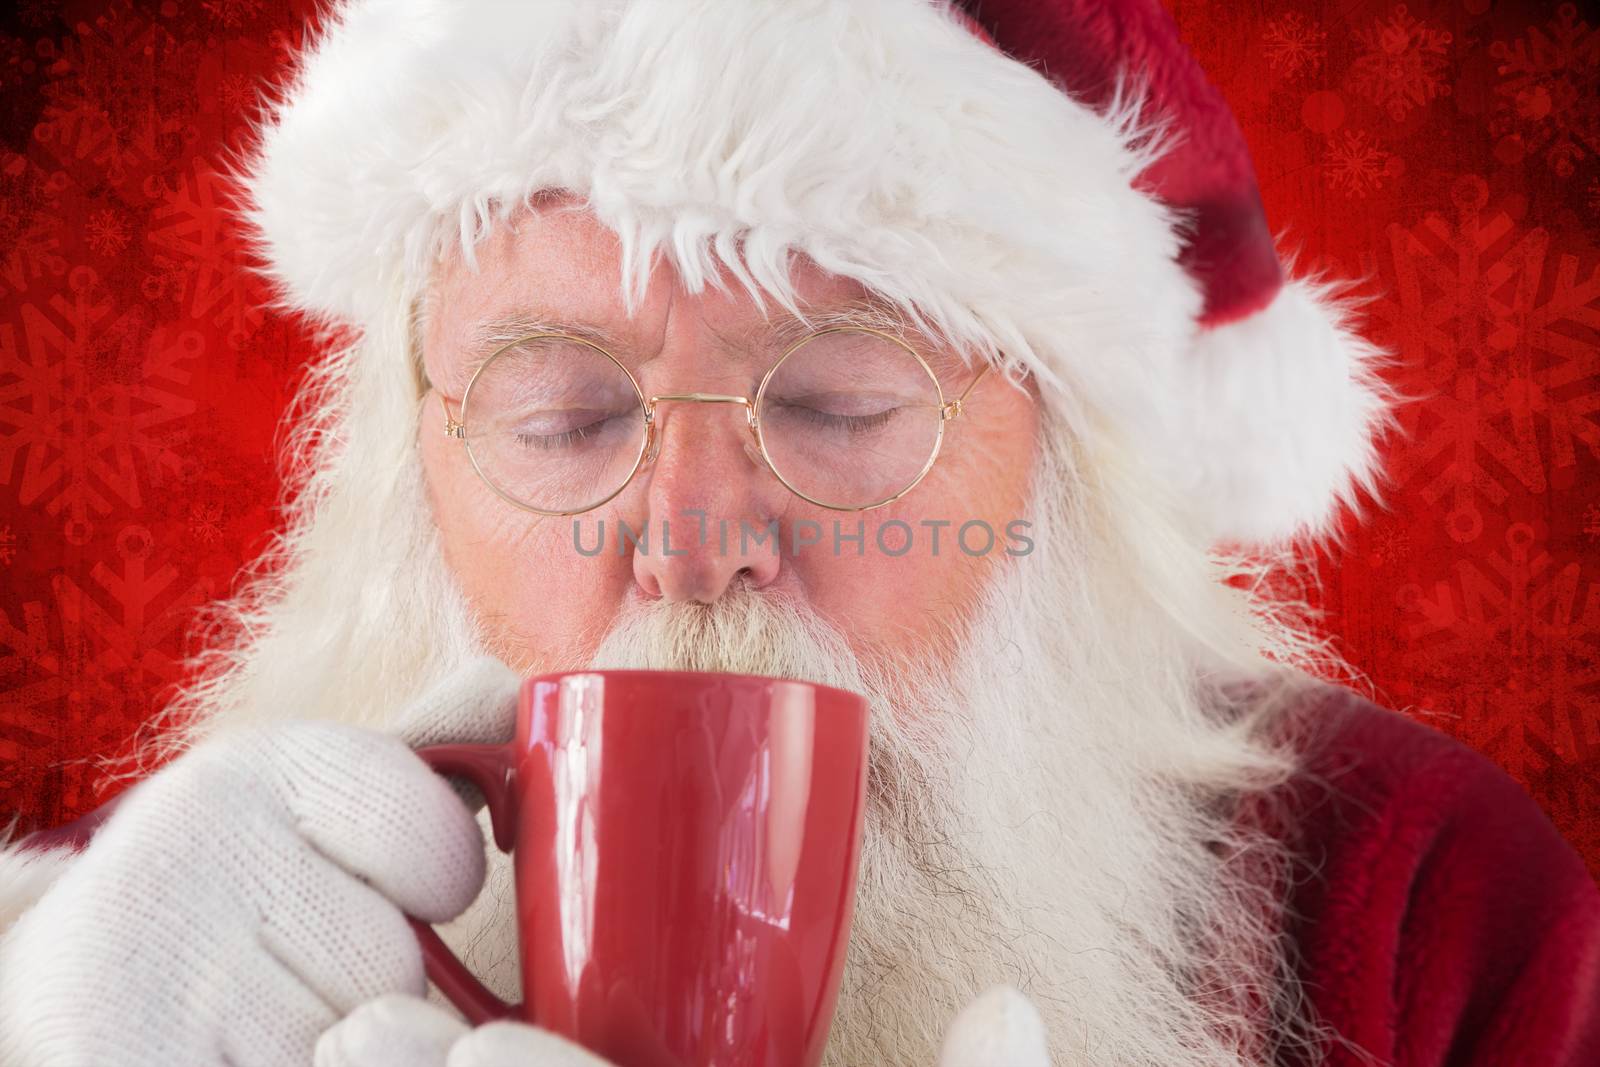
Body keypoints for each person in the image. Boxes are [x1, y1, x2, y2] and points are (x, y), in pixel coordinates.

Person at [1, 1, 1596, 1065]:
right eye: (563, 415)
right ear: (405, 466)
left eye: (838, 404)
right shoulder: (148, 937)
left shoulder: (1432, 912)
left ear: (1057, 469)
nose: (693, 542)